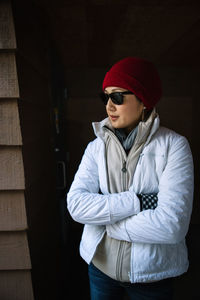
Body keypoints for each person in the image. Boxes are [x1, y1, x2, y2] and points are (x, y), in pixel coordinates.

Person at [67, 57, 194, 300]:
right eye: (105, 97)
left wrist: (104, 221)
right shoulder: (96, 147)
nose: (109, 106)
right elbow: (75, 206)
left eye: (117, 97)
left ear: (143, 99)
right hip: (100, 269)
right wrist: (138, 201)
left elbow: (172, 226)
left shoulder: (174, 147)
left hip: (152, 276)